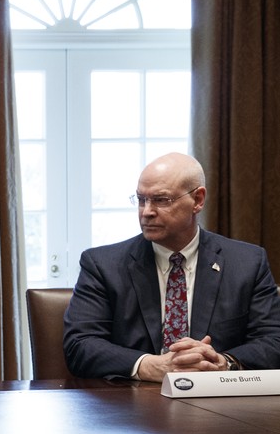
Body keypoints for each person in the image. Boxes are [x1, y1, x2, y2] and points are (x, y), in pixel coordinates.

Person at [64, 152, 280, 381]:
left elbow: (274, 341)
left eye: (161, 200)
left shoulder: (247, 262)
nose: (146, 211)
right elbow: (79, 345)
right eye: (141, 199)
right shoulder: (102, 265)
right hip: (131, 404)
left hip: (220, 403)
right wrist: (149, 365)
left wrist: (223, 363)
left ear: (198, 200)